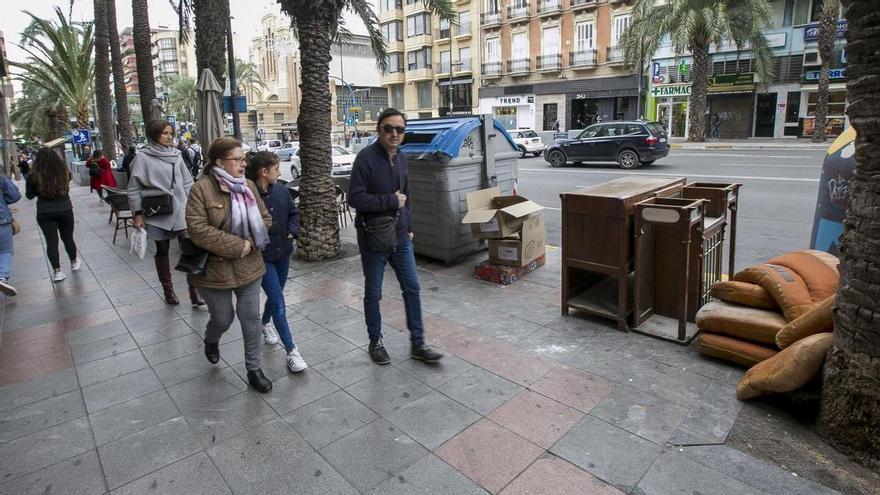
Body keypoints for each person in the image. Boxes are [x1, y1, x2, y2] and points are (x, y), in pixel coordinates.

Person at [348, 108, 444, 365]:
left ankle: (418, 343)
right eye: (388, 128)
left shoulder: (401, 157)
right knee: (374, 292)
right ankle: (375, 341)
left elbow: (407, 195)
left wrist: (409, 225)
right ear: (379, 130)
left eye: (399, 129)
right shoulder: (365, 158)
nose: (394, 134)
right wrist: (390, 200)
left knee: (412, 288)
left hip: (401, 237)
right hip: (374, 238)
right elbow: (354, 198)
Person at [186, 137, 274, 393]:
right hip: (215, 271)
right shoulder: (200, 189)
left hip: (250, 266)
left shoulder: (248, 186)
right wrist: (237, 245)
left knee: (250, 317)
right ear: (219, 162)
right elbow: (197, 229)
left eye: (243, 159)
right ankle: (211, 339)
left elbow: (265, 219)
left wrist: (250, 241)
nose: (243, 164)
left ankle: (254, 369)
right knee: (223, 319)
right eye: (237, 159)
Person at [128, 119, 206, 308]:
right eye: (164, 133)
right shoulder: (142, 157)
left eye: (170, 133)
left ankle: (194, 292)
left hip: (180, 208)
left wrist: (195, 205)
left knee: (190, 247)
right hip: (157, 211)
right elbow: (134, 188)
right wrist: (137, 213)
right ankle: (168, 290)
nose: (169, 136)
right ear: (155, 134)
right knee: (162, 250)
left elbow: (187, 182)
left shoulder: (177, 155)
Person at [245, 151, 307, 373]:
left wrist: (292, 232)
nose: (280, 172)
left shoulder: (281, 190)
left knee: (276, 294)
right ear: (264, 171)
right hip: (262, 257)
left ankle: (264, 323)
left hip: (283, 253)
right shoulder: (248, 195)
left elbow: (294, 214)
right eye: (276, 168)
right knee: (279, 301)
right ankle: (291, 351)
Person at [26, 148, 80, 283]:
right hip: (65, 209)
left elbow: (29, 195)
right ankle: (74, 262)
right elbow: (67, 184)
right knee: (68, 237)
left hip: (45, 211)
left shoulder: (34, 175)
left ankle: (57, 272)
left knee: (51, 241)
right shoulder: (63, 171)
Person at [0, 174, 22, 296]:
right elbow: (15, 196)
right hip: (1, 221)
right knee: (5, 251)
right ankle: (2, 277)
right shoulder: (1, 179)